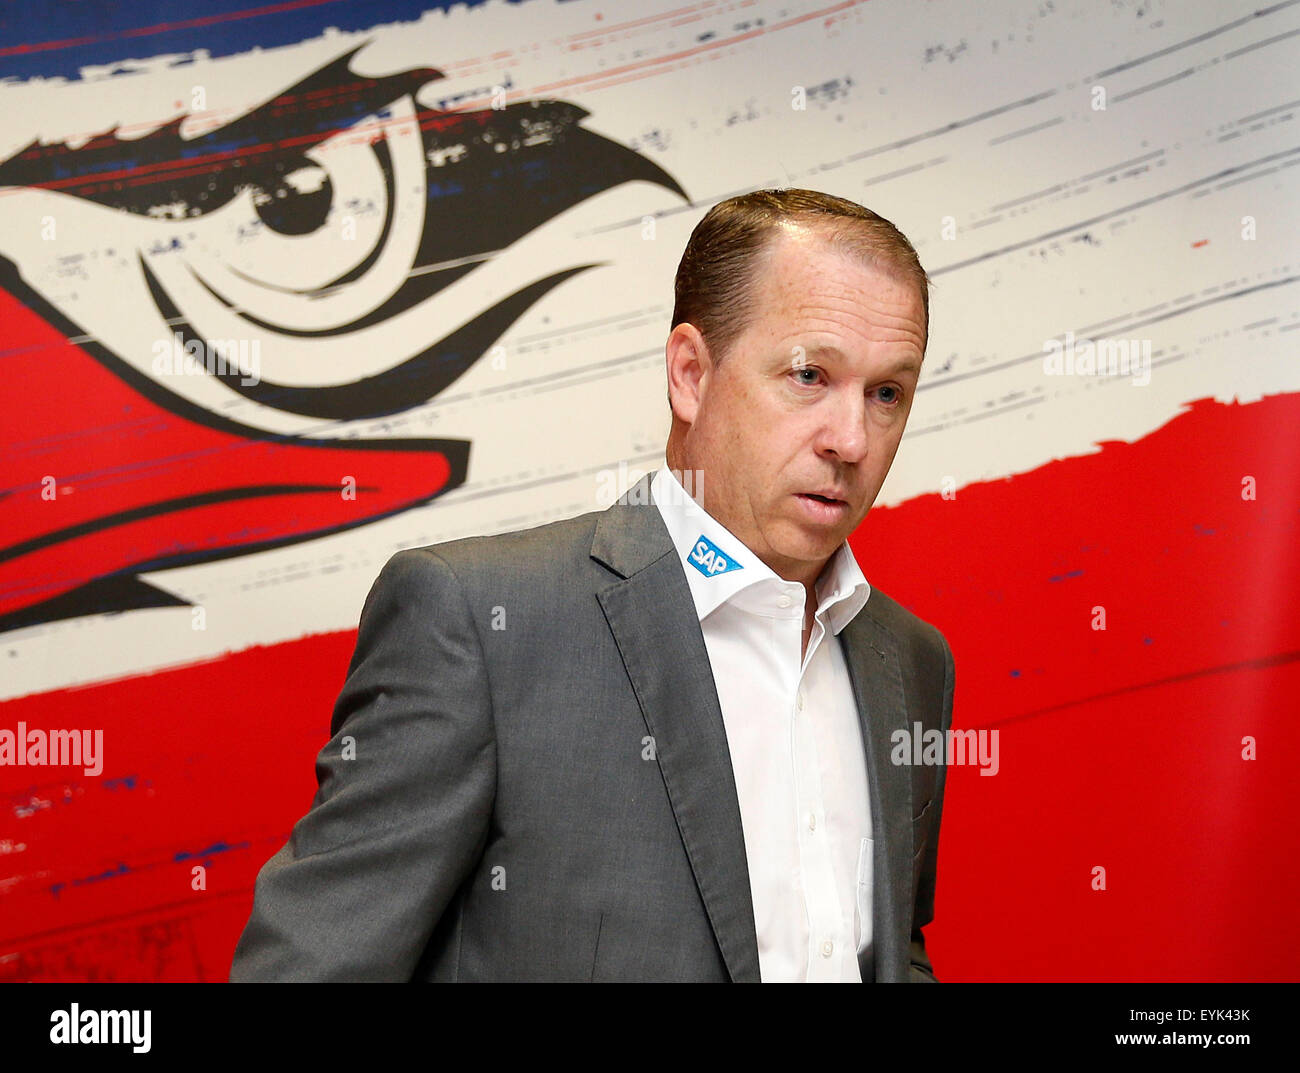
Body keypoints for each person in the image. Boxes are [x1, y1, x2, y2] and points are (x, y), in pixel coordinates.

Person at [229, 188, 954, 982]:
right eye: (810, 374)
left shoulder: (912, 662)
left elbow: (883, 949)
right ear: (689, 374)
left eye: (887, 393)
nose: (852, 439)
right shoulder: (481, 622)